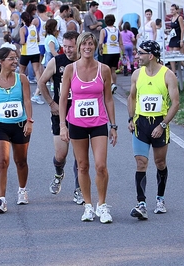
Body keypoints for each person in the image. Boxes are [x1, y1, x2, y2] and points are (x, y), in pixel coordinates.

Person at [59, 32, 117, 223]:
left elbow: (108, 98)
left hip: (99, 122)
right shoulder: (70, 69)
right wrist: (62, 126)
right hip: (76, 123)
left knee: (101, 165)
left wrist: (113, 125)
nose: (87, 47)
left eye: (90, 44)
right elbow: (62, 99)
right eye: (84, 44)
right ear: (79, 47)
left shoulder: (104, 69)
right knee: (82, 166)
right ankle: (88, 205)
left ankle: (102, 205)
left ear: (95, 46)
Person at [127, 40, 179, 220]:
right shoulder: (136, 74)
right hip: (141, 123)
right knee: (141, 162)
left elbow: (176, 104)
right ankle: (141, 203)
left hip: (159, 123)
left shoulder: (168, 75)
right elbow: (132, 97)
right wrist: (131, 118)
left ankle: (160, 199)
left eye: (140, 53)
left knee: (160, 163)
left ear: (150, 56)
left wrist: (163, 125)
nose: (137, 56)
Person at [38, 31, 85, 204]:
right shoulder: (57, 62)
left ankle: (79, 189)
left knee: (80, 157)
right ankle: (59, 173)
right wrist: (51, 103)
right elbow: (42, 81)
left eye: (71, 46)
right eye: (64, 46)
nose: (67, 50)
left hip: (81, 114)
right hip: (61, 114)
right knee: (60, 154)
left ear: (79, 45)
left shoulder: (85, 63)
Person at [0, 47, 33, 213]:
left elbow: (27, 101)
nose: (15, 61)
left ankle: (22, 190)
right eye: (11, 59)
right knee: (2, 161)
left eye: (16, 58)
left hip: (20, 125)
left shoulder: (22, 79)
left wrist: (29, 121)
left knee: (21, 161)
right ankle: (1, 200)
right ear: (1, 62)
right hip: (0, 126)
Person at [19, 12, 43, 105]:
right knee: (37, 71)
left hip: (26, 52)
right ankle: (39, 88)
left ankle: (20, 90)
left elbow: (22, 41)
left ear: (22, 20)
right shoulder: (34, 27)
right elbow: (38, 39)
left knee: (21, 71)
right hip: (35, 51)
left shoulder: (23, 29)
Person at [99, 14, 124, 94]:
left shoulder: (104, 30)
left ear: (105, 22)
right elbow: (121, 43)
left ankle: (111, 85)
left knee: (107, 69)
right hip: (116, 51)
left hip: (108, 51)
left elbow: (100, 42)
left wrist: (100, 49)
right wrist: (123, 53)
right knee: (113, 70)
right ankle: (114, 85)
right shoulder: (117, 31)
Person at [168, 4, 184, 75]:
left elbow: (182, 29)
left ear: (176, 10)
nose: (172, 11)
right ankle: (173, 72)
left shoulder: (179, 18)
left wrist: (181, 40)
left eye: (173, 9)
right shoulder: (172, 18)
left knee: (175, 55)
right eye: (171, 10)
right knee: (171, 56)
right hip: (172, 38)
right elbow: (172, 28)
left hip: (178, 38)